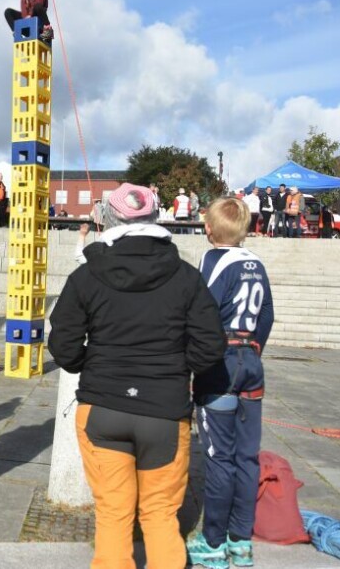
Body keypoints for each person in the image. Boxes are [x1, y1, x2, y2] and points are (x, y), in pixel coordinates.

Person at [48, 183, 225, 569]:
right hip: (164, 410)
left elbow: (62, 343)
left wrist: (87, 364)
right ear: (155, 218)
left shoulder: (87, 275)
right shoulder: (185, 276)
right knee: (160, 517)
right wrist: (179, 367)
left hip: (102, 407)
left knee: (113, 515)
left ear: (108, 221)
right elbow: (211, 345)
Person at [187, 197, 274, 569]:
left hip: (221, 363)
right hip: (251, 361)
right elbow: (267, 315)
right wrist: (254, 351)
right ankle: (242, 541)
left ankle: (213, 542)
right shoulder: (256, 262)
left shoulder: (213, 261)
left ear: (209, 228)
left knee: (219, 457)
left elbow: (202, 313)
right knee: (247, 455)